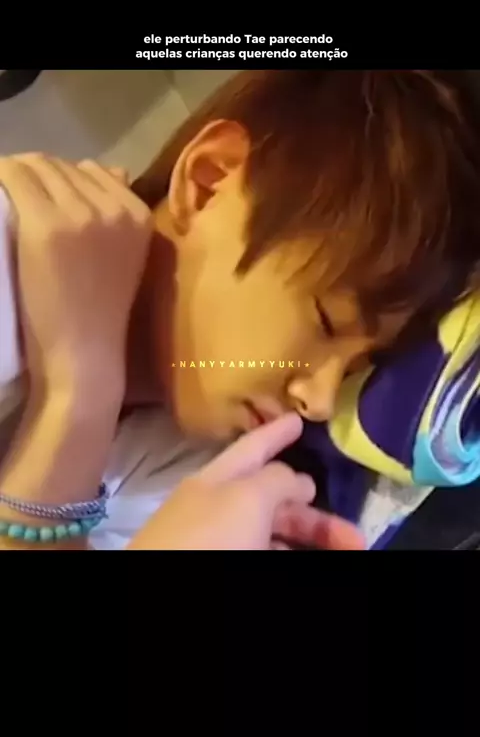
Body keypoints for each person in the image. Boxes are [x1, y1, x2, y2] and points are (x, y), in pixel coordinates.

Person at [1, 70, 480, 549]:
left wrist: (83, 390)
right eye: (326, 322)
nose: (319, 401)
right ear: (209, 182)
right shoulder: (19, 249)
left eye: (354, 369)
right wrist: (80, 397)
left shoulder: (191, 465)